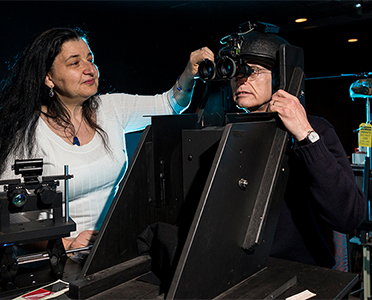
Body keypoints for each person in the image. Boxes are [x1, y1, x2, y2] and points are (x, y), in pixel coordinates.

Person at [0, 27, 214, 251]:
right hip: (55, 260)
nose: (89, 69)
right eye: (75, 63)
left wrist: (190, 73)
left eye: (90, 59)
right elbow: (10, 217)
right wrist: (66, 244)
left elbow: (169, 104)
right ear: (48, 78)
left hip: (111, 248)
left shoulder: (111, 108)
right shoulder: (25, 133)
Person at [223, 25, 365, 269]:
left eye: (254, 71)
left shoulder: (316, 130)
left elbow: (349, 216)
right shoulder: (228, 132)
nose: (242, 80)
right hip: (240, 269)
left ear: (279, 77)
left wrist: (304, 135)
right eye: (237, 72)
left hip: (300, 270)